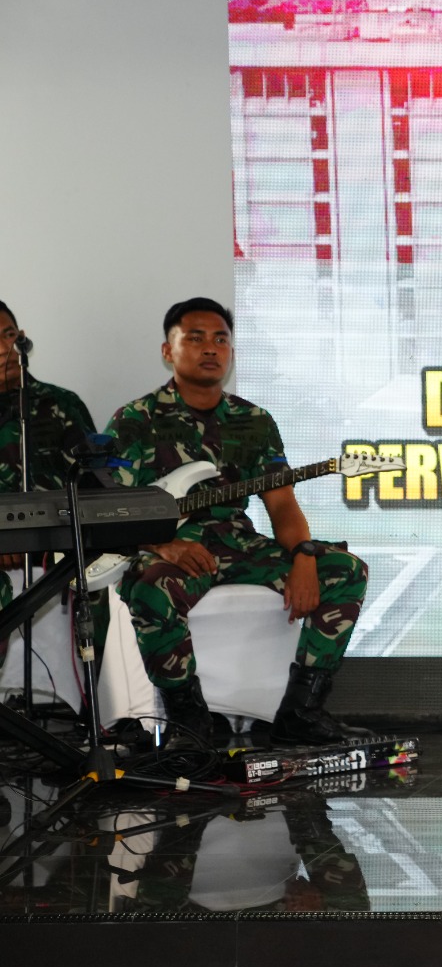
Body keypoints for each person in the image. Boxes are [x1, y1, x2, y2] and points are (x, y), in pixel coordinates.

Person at [103, 297, 369, 746]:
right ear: (168, 351)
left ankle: (300, 713)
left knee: (346, 570)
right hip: (169, 546)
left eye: (221, 339)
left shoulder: (254, 421)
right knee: (150, 587)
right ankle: (189, 722)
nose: (211, 348)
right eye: (196, 338)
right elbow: (114, 507)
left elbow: (281, 505)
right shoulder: (134, 420)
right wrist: (163, 545)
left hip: (238, 544)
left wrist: (304, 555)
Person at [0, 300, 97, 611]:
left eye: (8, 335)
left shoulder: (61, 404)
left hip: (58, 549)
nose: (3, 349)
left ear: (21, 338)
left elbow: (94, 486)